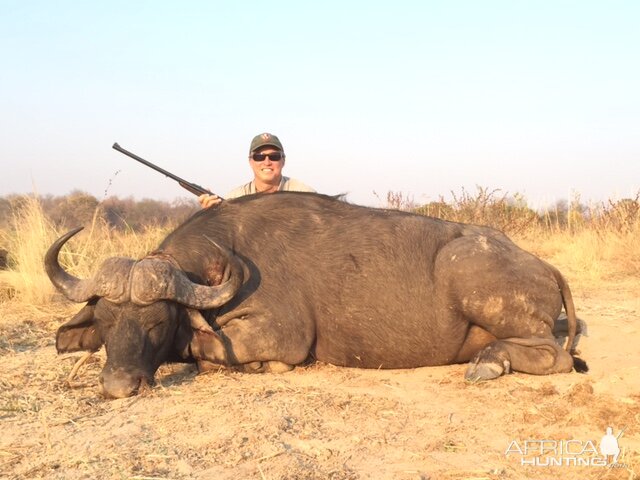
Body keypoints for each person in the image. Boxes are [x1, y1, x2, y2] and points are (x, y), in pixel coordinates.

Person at [198, 132, 315, 208]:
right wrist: (210, 216)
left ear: (283, 161)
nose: (267, 162)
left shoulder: (305, 195)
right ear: (250, 161)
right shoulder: (234, 198)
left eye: (274, 157)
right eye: (259, 157)